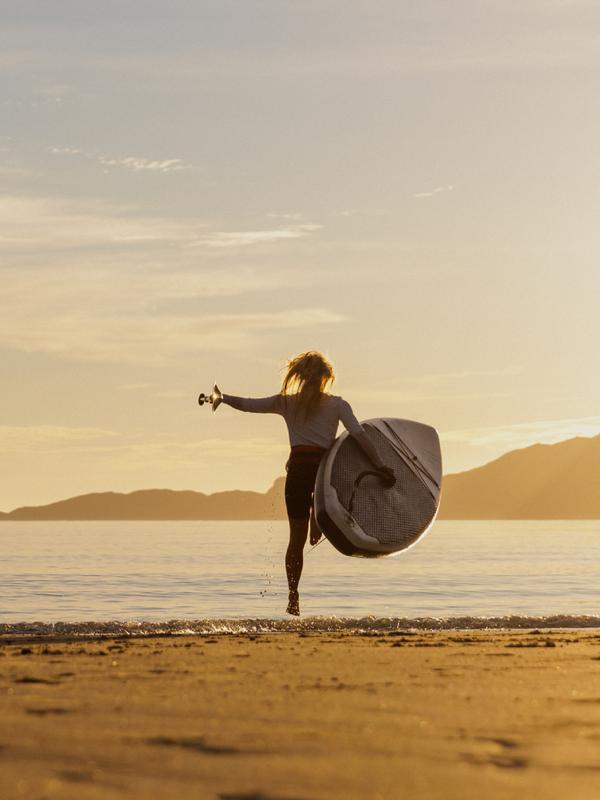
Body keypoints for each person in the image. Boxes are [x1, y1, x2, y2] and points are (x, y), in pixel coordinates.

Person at [221, 351, 394, 616]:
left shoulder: (288, 403)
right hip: (323, 475)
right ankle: (318, 520)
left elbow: (248, 404)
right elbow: (359, 436)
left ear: (301, 376)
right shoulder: (337, 405)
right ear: (326, 378)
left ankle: (293, 594)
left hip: (299, 473)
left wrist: (222, 398)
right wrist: (380, 466)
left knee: (296, 540)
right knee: (313, 531)